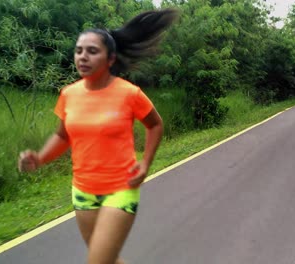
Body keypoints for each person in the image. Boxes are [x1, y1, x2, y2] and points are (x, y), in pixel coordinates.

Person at [18, 9, 178, 264]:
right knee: (107, 258)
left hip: (121, 188)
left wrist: (146, 164)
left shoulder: (129, 94)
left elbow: (155, 125)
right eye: (79, 50)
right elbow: (62, 136)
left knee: (98, 261)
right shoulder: (69, 94)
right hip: (83, 190)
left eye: (92, 51)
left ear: (110, 59)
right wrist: (40, 157)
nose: (83, 56)